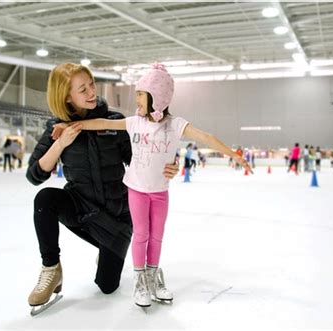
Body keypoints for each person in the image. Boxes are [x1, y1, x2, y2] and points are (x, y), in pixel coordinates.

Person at [52, 63, 252, 308]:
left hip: (160, 193)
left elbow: (206, 137)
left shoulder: (175, 125)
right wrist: (70, 125)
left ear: (157, 98)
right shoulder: (135, 122)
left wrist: (235, 155)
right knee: (142, 235)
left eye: (141, 95)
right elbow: (102, 123)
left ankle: (152, 275)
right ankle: (140, 281)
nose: (136, 100)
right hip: (136, 191)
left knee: (157, 237)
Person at [25, 63, 179, 314]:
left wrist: (170, 163)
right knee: (45, 199)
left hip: (116, 217)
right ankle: (51, 269)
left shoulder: (115, 121)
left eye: (92, 85)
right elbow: (34, 175)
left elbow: (140, 157)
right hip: (81, 208)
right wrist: (60, 144)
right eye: (82, 89)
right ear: (66, 96)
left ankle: (107, 250)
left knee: (107, 286)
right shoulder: (57, 128)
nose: (91, 92)